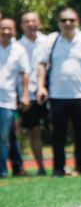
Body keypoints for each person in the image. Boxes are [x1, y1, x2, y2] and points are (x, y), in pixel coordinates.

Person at [37, 8, 81, 176]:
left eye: (71, 20)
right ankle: (58, 168)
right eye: (64, 20)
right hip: (57, 96)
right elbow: (41, 64)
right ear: (59, 23)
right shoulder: (51, 40)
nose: (68, 23)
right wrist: (40, 86)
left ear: (77, 22)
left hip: (80, 95)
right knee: (58, 136)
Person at [17, 11, 47, 176]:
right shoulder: (17, 45)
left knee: (58, 129)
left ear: (40, 22)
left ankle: (60, 166)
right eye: (26, 21)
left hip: (51, 92)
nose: (30, 24)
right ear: (21, 25)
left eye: (34, 20)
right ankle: (40, 167)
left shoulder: (48, 41)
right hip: (27, 95)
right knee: (33, 131)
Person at [0, 17, 30, 178]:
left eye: (9, 28)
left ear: (14, 30)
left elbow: (25, 73)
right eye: (3, 28)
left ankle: (2, 170)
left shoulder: (19, 49)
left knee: (3, 137)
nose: (5, 31)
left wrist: (25, 95)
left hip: (7, 100)